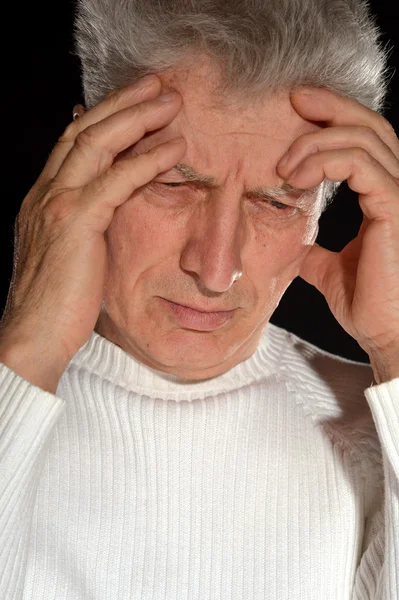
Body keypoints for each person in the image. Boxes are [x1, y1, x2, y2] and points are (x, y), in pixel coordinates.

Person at [0, 0, 398, 597]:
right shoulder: (13, 391)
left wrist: (397, 349)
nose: (216, 270)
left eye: (276, 202)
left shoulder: (378, 432)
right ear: (82, 164)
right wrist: (27, 356)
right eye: (174, 184)